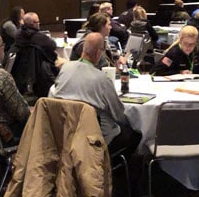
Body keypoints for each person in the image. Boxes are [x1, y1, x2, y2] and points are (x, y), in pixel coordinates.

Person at [50, 32, 139, 160]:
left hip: (65, 133)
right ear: (98, 53)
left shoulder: (65, 69)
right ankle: (112, 170)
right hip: (95, 138)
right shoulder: (102, 79)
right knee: (134, 134)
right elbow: (119, 114)